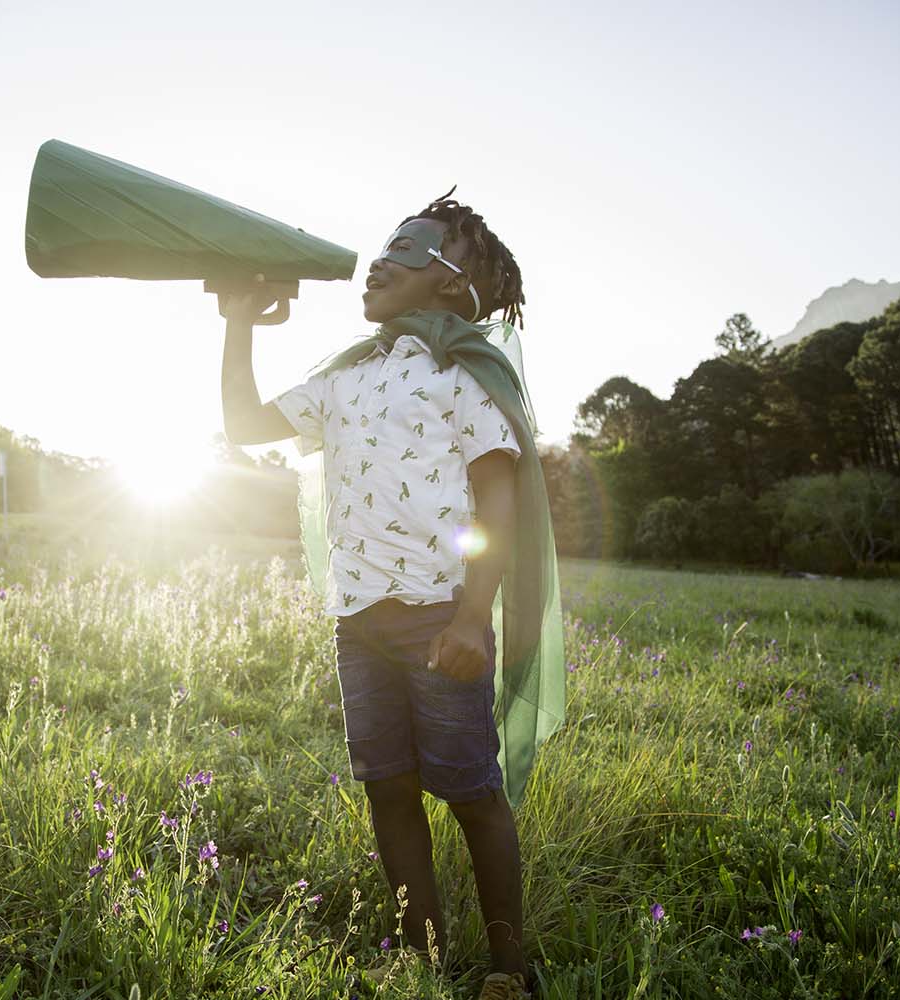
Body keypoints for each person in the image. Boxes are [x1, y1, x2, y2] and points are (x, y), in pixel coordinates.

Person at [220, 190, 561, 1000]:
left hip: (441, 617)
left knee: (472, 790)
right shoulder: (347, 376)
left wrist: (476, 616)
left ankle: (510, 968)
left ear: (450, 283)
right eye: (386, 245)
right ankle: (423, 955)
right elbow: (242, 423)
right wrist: (238, 320)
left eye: (407, 249)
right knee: (387, 786)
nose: (381, 259)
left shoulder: (465, 373)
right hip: (358, 621)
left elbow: (496, 496)